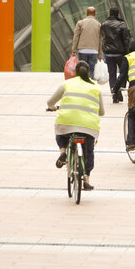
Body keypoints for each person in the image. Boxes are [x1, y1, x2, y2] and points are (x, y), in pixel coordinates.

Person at [47, 61, 105, 191]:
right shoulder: (96, 87)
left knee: (60, 133)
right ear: (89, 73)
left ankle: (63, 152)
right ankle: (87, 180)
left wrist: (52, 108)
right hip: (89, 126)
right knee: (89, 151)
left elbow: (50, 102)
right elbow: (102, 112)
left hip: (67, 123)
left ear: (75, 73)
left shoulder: (67, 84)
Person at [100, 7, 131, 104]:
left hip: (109, 53)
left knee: (112, 74)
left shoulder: (104, 25)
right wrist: (127, 52)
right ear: (118, 14)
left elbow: (103, 36)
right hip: (120, 53)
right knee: (123, 73)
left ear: (110, 14)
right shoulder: (122, 25)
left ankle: (114, 95)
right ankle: (120, 89)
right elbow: (126, 40)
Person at [72, 6, 103, 75]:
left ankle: (82, 84)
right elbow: (101, 40)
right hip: (94, 51)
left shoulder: (80, 23)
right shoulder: (99, 25)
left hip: (82, 50)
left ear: (86, 14)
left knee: (82, 70)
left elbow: (76, 37)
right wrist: (100, 54)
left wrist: (74, 50)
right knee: (91, 70)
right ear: (95, 14)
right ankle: (89, 83)